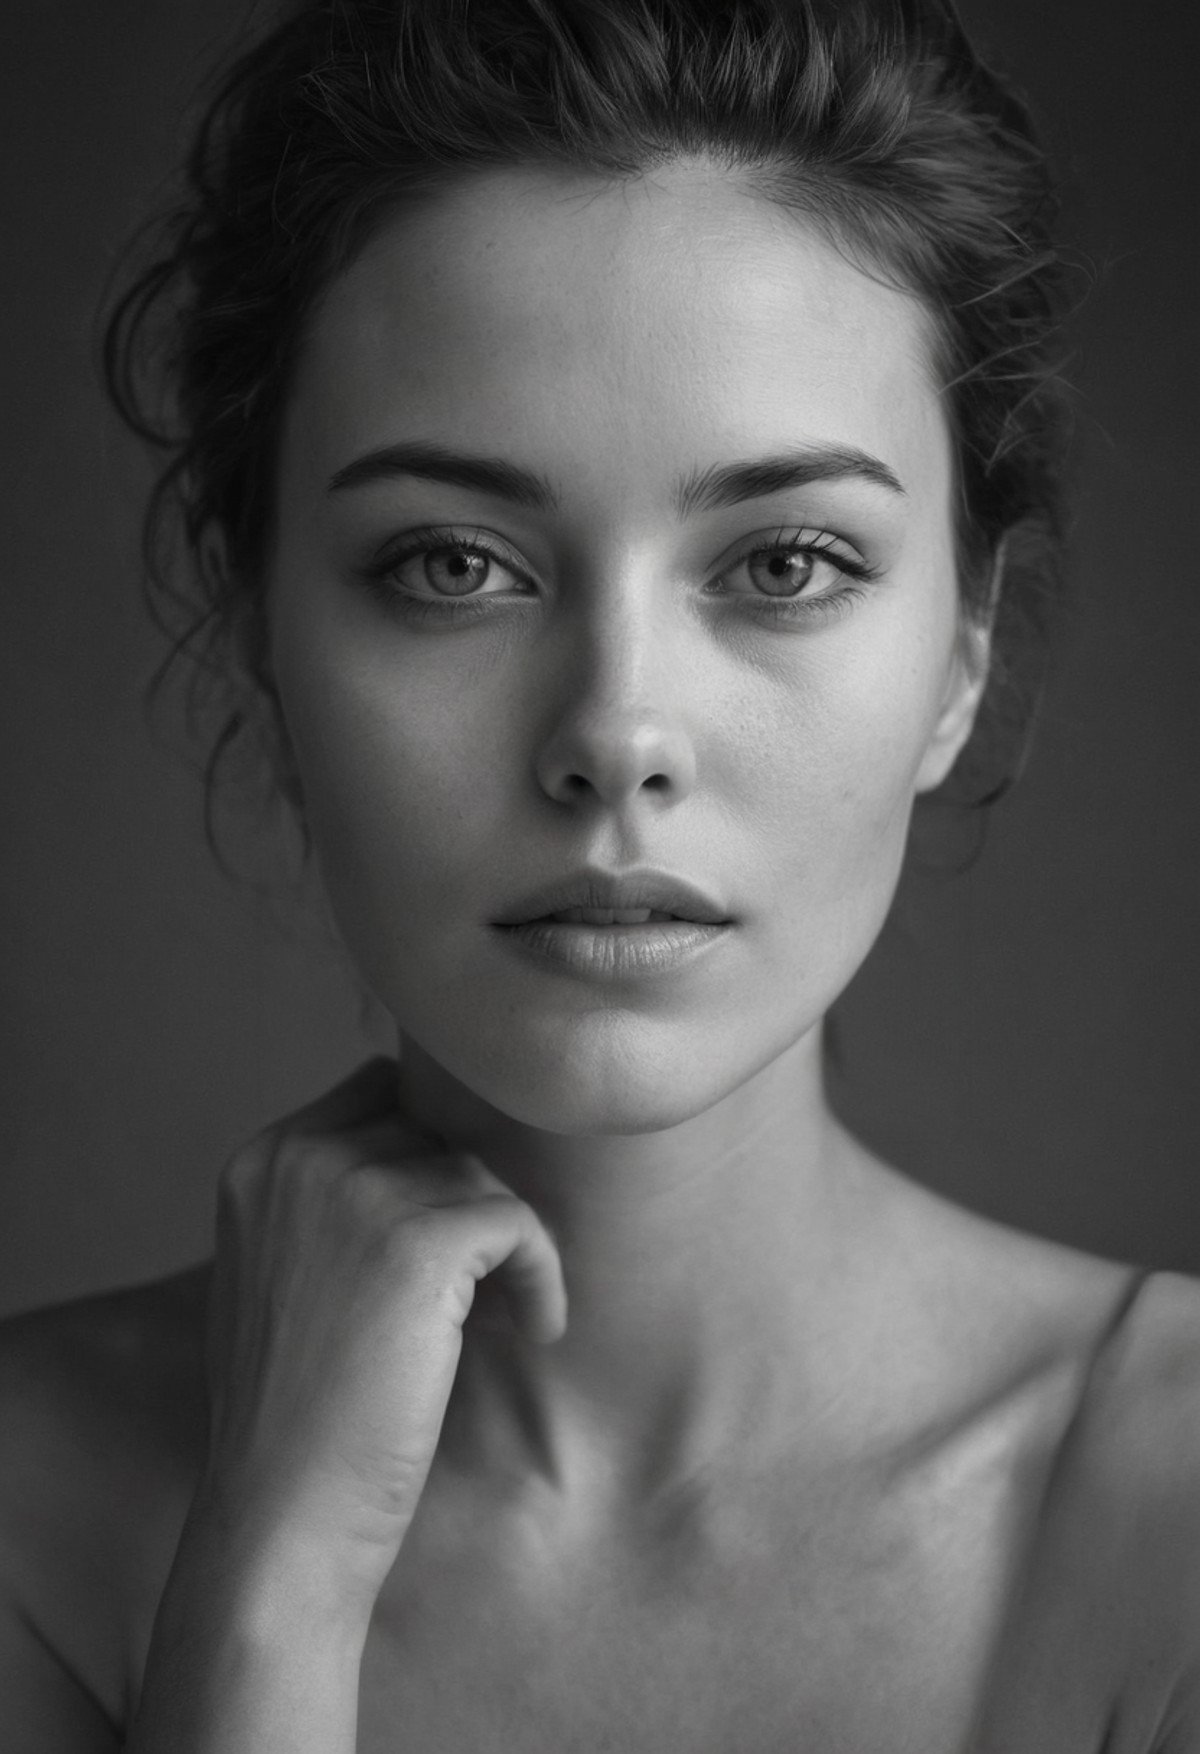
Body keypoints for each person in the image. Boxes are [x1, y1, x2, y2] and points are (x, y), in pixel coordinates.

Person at [2, 0, 1198, 1748]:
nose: (616, 730)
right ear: (264, 627)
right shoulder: (32, 1512)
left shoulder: (1170, 1505)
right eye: (452, 563)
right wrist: (265, 1593)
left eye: (786, 560)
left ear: (962, 653)